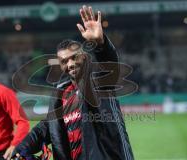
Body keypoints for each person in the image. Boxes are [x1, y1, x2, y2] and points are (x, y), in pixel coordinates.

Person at [13, 5, 134, 160]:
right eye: (64, 61)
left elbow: (109, 64)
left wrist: (100, 43)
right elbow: (47, 128)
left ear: (83, 56)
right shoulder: (61, 93)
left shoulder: (99, 81)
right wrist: (20, 149)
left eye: (74, 57)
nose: (70, 64)